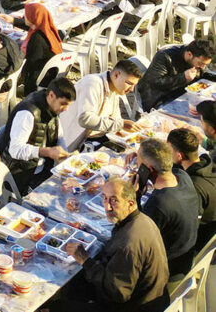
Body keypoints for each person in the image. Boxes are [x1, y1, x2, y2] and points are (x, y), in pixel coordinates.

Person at [61, 178, 169, 312]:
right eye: (105, 198)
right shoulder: (143, 220)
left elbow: (117, 293)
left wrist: (85, 259)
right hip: (147, 295)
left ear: (130, 203)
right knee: (74, 286)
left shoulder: (128, 244)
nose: (107, 207)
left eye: (114, 200)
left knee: (57, 305)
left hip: (134, 305)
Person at [0, 77, 76, 193]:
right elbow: (15, 150)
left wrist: (68, 158)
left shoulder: (52, 108)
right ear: (51, 95)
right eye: (63, 104)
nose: (66, 109)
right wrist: (47, 151)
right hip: (22, 175)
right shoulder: (27, 114)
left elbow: (59, 138)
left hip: (43, 170)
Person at [136, 138, 200, 276]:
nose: (136, 165)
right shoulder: (182, 176)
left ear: (149, 170)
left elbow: (136, 235)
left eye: (138, 162)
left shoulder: (159, 203)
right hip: (185, 258)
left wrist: (135, 197)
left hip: (167, 269)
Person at [58, 60, 143, 151]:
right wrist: (121, 124)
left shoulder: (114, 89)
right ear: (116, 75)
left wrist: (127, 131)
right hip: (69, 143)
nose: (131, 89)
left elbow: (115, 119)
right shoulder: (92, 84)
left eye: (134, 85)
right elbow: (85, 119)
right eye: (129, 83)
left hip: (92, 138)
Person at [167, 128, 216, 250]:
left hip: (197, 243)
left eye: (168, 151)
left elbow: (185, 227)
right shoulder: (209, 166)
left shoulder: (192, 187)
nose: (166, 155)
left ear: (179, 155)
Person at [137, 39, 215, 111]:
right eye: (200, 63)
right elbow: (153, 82)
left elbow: (201, 76)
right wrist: (183, 77)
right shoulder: (165, 56)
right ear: (189, 54)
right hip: (158, 97)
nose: (203, 67)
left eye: (205, 64)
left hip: (182, 92)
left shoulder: (195, 57)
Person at [9, 2, 63, 94]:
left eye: (26, 15)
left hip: (40, 78)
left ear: (33, 17)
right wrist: (12, 20)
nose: (24, 17)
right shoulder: (47, 28)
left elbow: (31, 63)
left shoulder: (37, 38)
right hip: (52, 71)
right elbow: (27, 25)